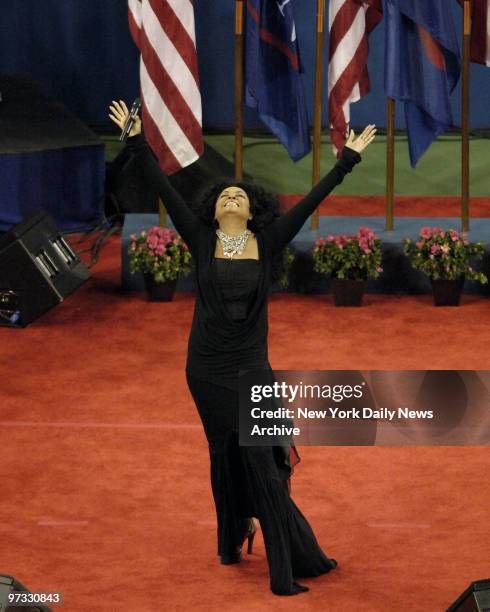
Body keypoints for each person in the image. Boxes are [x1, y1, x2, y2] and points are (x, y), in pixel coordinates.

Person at [109, 100, 376, 596]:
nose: (231, 199)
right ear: (213, 209)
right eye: (224, 196)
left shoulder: (270, 239)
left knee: (264, 464)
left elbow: (312, 201)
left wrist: (346, 161)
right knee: (224, 454)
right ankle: (234, 532)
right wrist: (135, 140)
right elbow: (165, 186)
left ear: (254, 208)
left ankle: (284, 569)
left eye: (240, 196)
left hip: (252, 367)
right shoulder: (200, 238)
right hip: (205, 368)